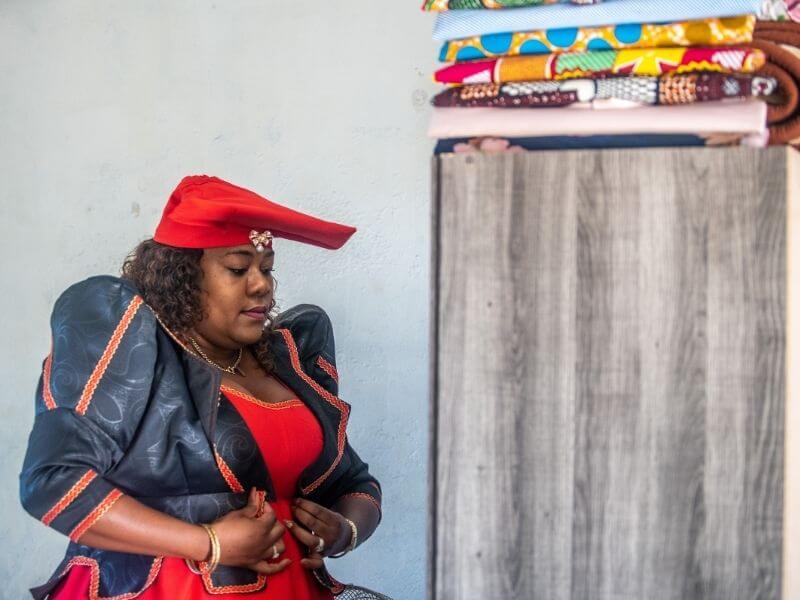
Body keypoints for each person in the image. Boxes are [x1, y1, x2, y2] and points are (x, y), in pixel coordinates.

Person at [19, 175, 384, 599]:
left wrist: (343, 531)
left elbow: (357, 484)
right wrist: (209, 543)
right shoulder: (136, 345)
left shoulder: (287, 360)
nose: (261, 284)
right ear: (184, 276)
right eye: (238, 268)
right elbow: (51, 483)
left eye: (266, 269)